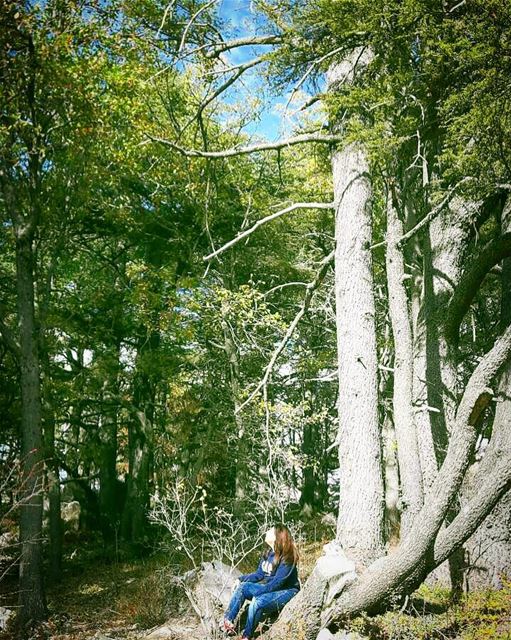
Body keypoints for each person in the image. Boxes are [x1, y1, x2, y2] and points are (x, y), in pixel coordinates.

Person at [220, 524, 300, 640]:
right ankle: (228, 622)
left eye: (270, 530)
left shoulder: (288, 556)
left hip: (287, 591)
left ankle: (246, 636)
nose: (267, 531)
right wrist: (240, 579)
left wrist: (258, 591)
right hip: (270, 588)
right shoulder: (268, 553)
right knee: (243, 587)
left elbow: (277, 583)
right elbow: (259, 575)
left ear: (278, 536)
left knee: (257, 601)